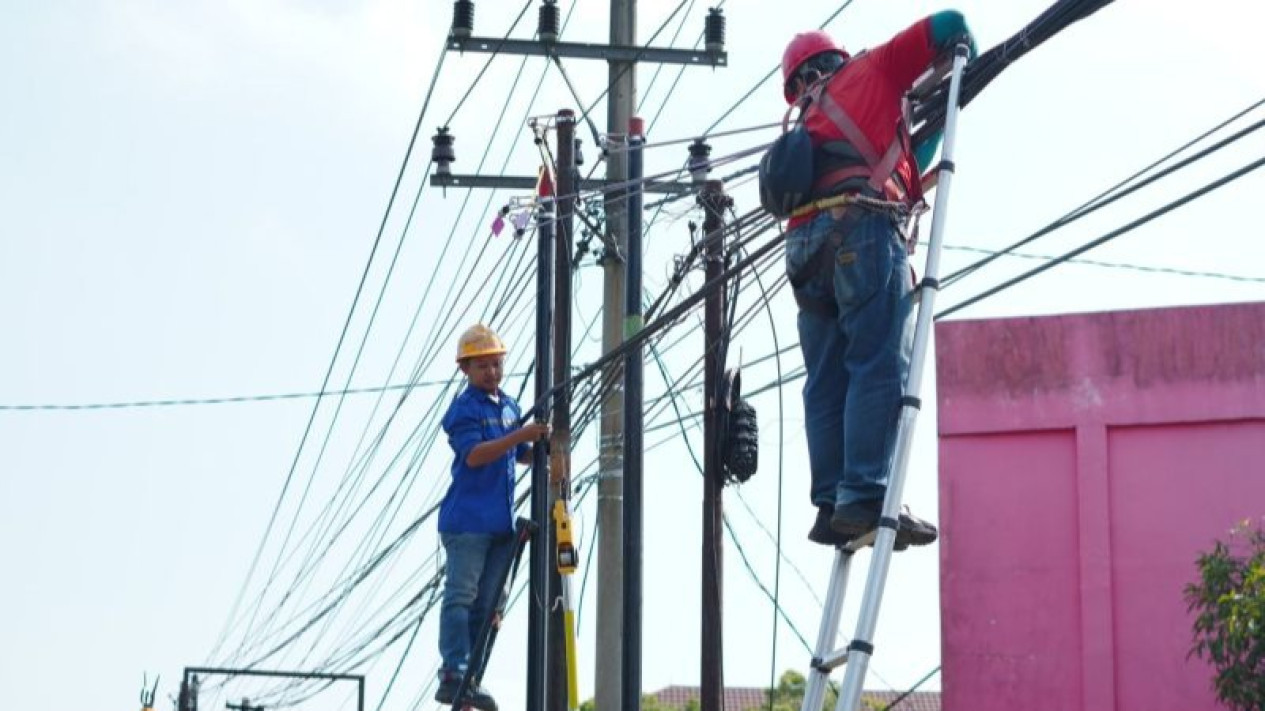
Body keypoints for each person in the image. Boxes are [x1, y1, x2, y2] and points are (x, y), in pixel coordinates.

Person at [778, 13, 975, 548]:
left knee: (826, 378)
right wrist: (967, 61)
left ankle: (831, 501)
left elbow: (899, 163)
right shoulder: (874, 70)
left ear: (795, 84)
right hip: (861, 231)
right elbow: (951, 22)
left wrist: (927, 137)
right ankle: (864, 495)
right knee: (878, 362)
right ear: (836, 60)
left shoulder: (806, 126)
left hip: (804, 253)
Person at [435, 324, 549, 711]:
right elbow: (475, 455)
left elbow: (513, 455)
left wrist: (541, 455)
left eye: (497, 364)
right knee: (462, 596)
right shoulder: (463, 409)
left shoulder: (510, 406)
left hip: (499, 524)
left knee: (488, 607)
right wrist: (520, 437)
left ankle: (471, 678)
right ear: (465, 369)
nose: (492, 373)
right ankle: (454, 669)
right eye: (482, 366)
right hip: (467, 522)